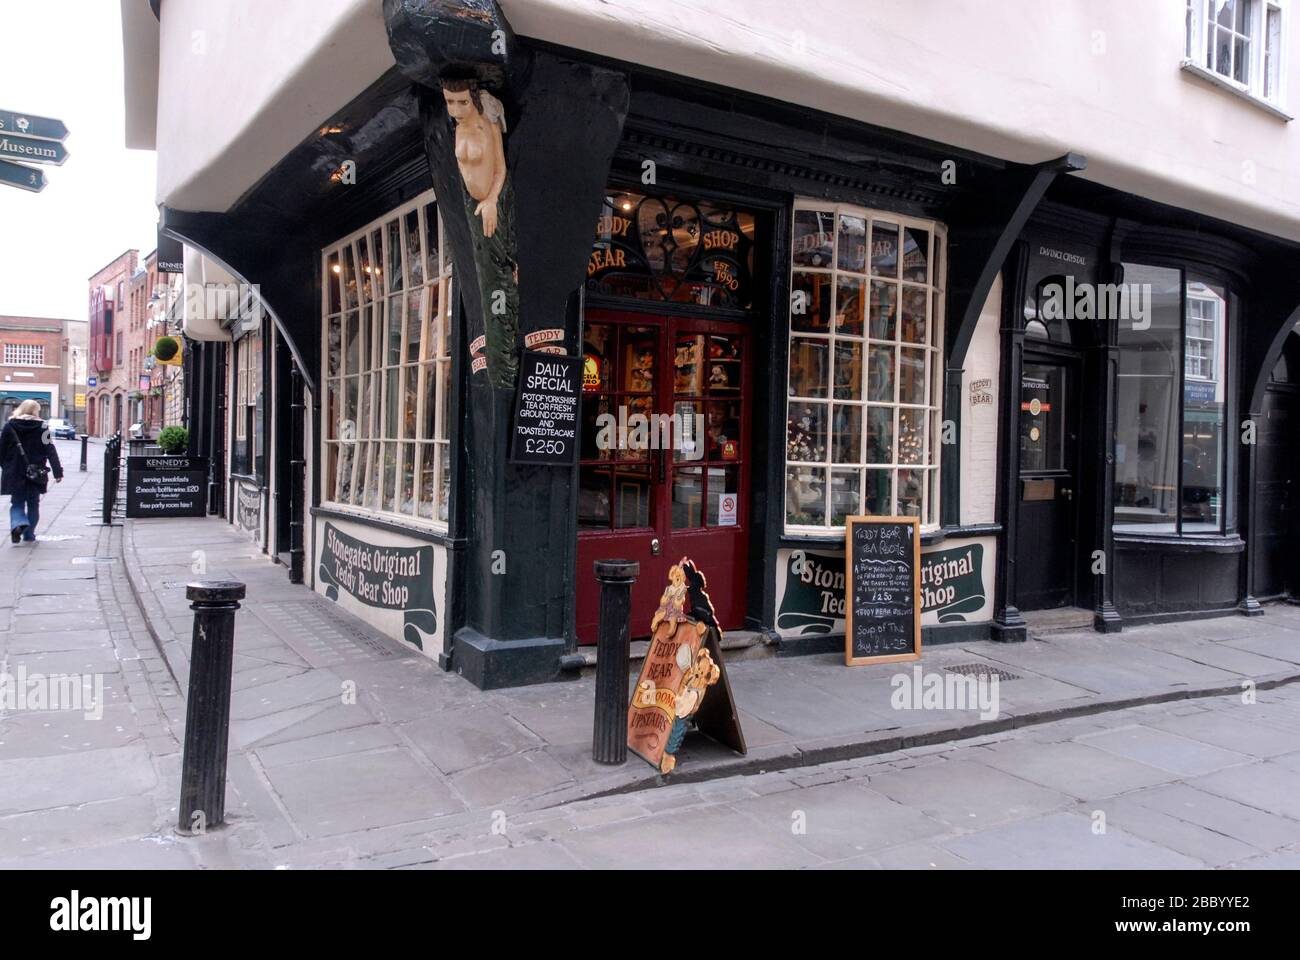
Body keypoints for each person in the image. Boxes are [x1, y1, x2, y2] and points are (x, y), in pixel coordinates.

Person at [0, 399, 63, 544]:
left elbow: (1, 449)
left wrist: (6, 467)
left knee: (17, 503)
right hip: (36, 472)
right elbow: (50, 450)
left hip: (14, 472)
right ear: (35, 411)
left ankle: (18, 524)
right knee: (33, 504)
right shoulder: (42, 427)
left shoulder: (9, 426)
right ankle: (29, 535)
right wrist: (57, 472)